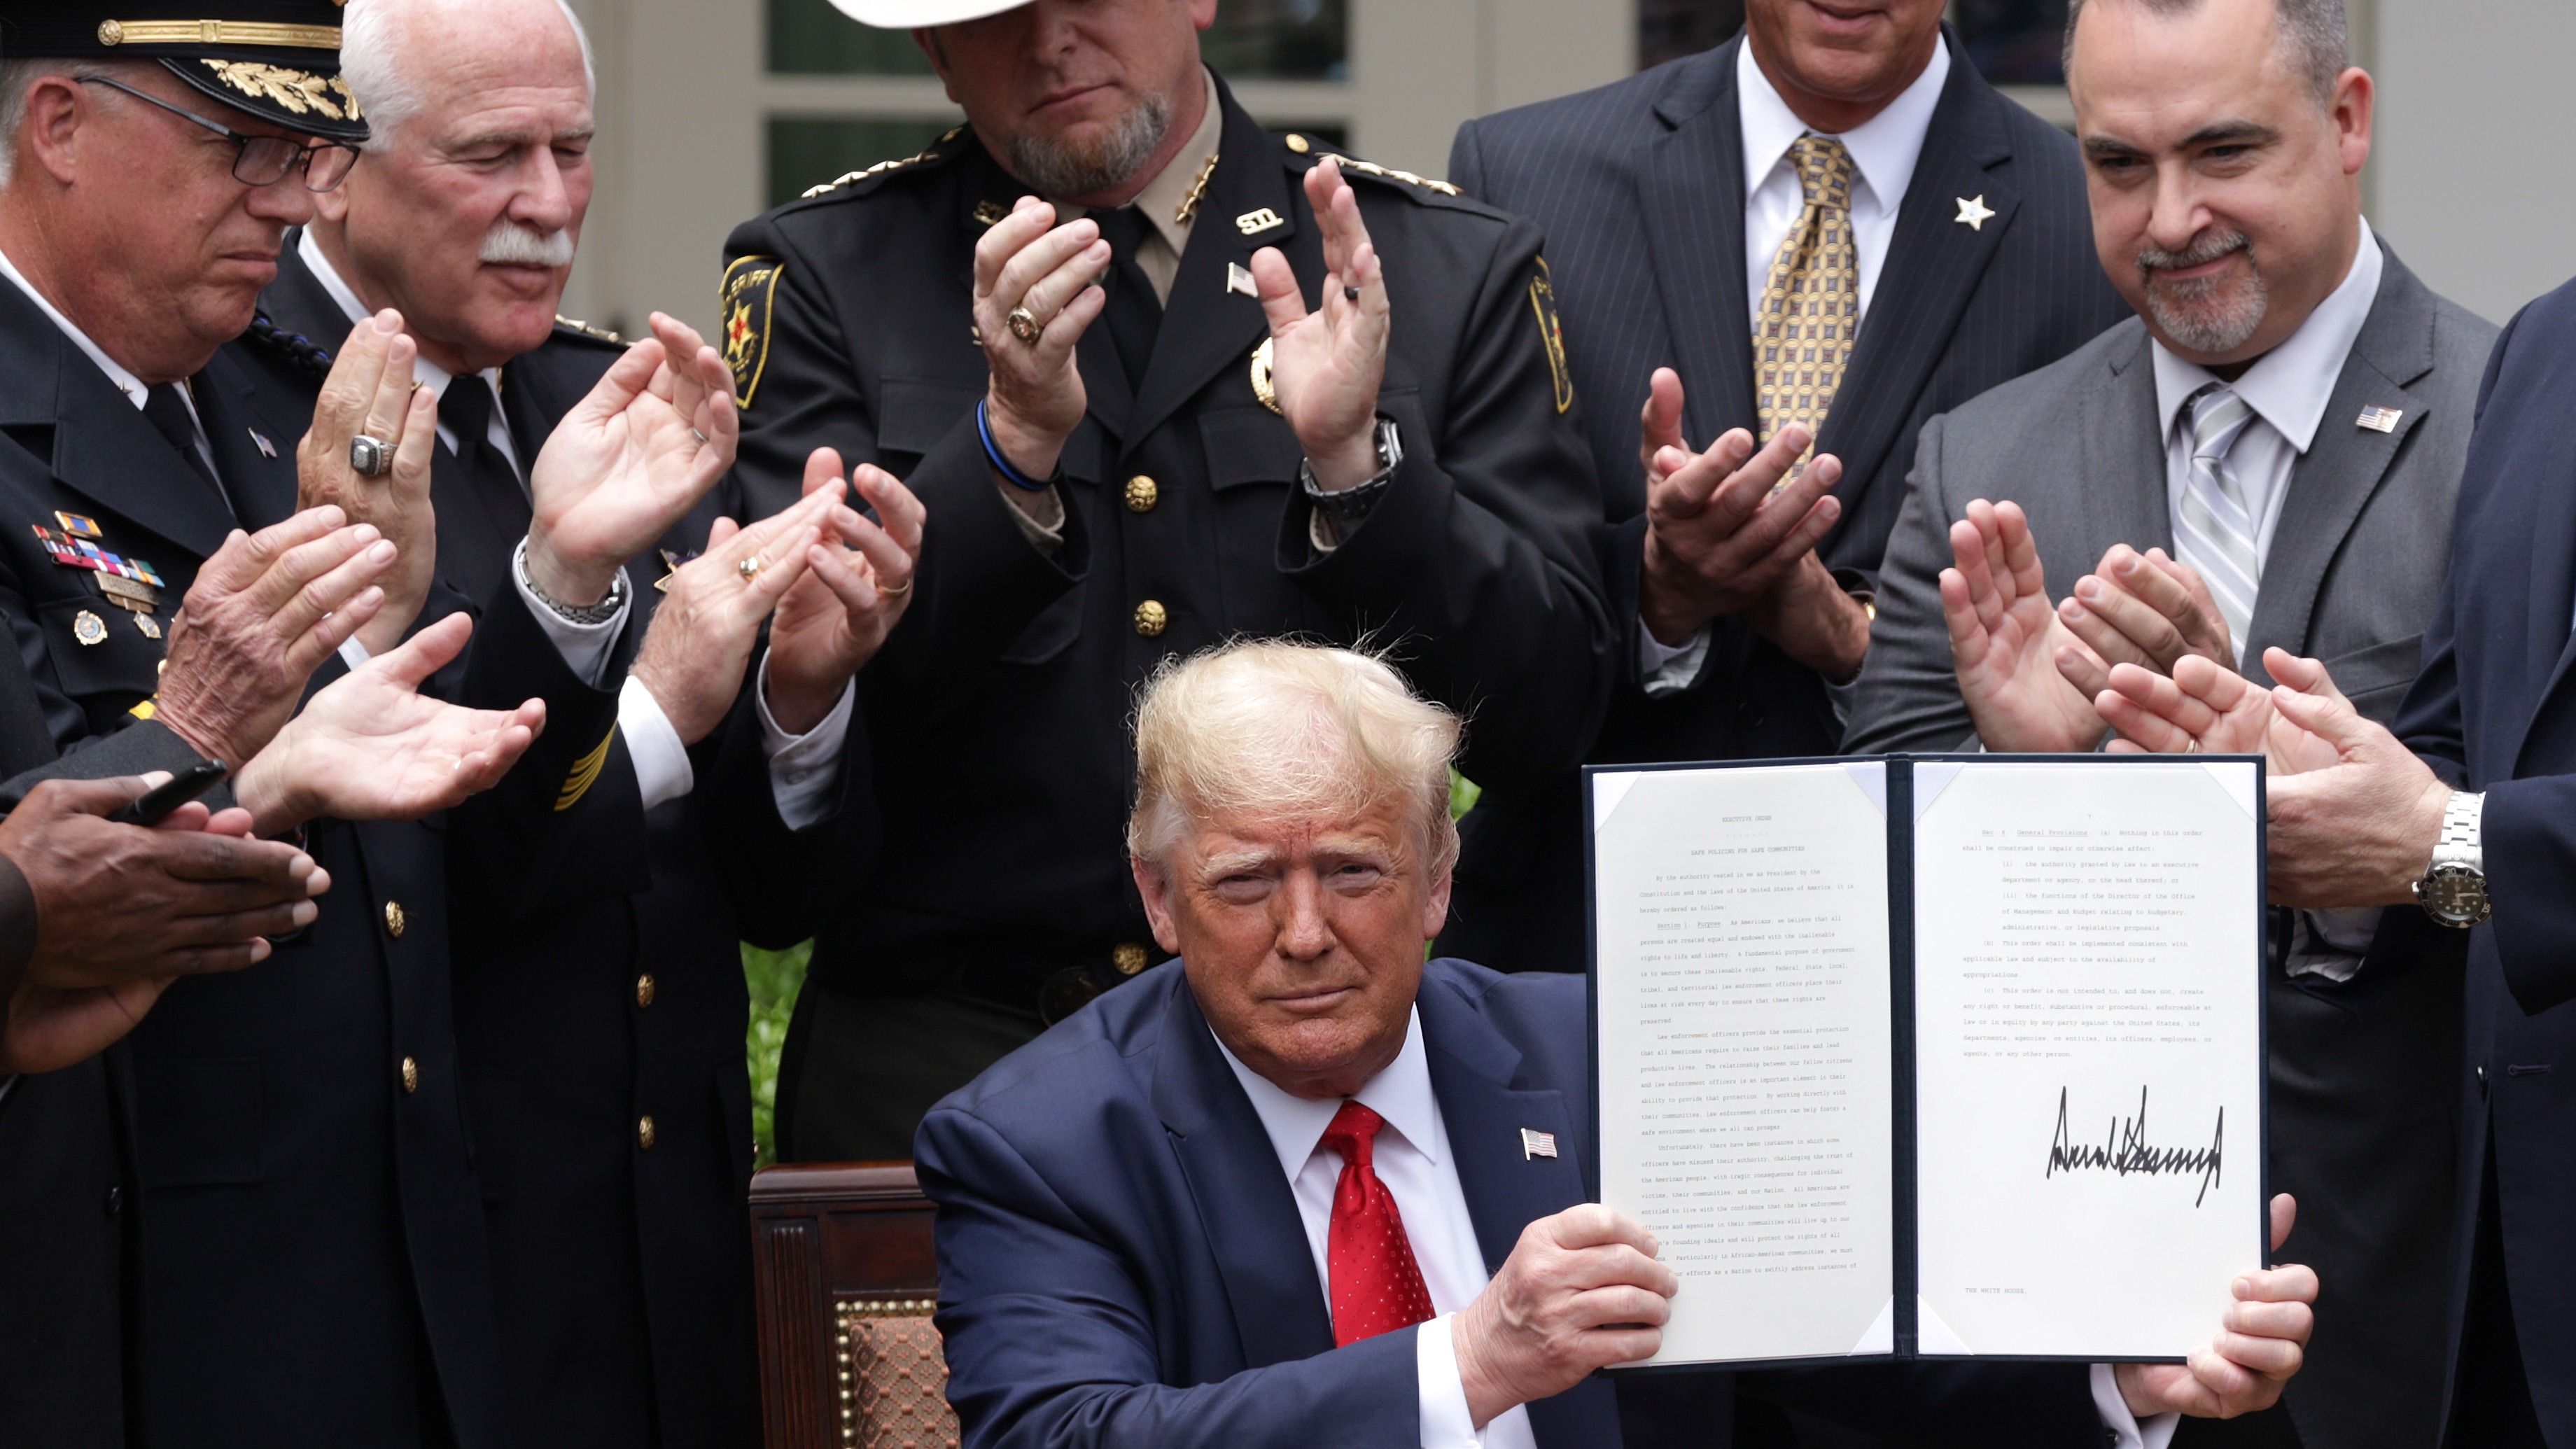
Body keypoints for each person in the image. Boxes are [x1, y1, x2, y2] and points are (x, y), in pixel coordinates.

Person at [918, 638, 2318, 1449]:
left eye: (1353, 871)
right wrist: (1469, 1361)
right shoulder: (1041, 1141)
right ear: (1158, 898)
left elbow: (1836, 1338)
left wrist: (2108, 1373)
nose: (1303, 933)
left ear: (1439, 880)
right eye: (1242, 884)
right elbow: (1062, 1435)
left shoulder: (1610, 1054)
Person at [0, 2, 714, 1439]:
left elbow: (437, 839)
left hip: (385, 1285)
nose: (287, 198)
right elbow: (39, 880)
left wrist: (560, 575)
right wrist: (210, 744)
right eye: (240, 145)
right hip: (138, 1297)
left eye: (303, 149)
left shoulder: (262, 409)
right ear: (60, 129)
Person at [734, 0, 1613, 1162]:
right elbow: (782, 794)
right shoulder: (827, 274)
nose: (1050, 40)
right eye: (994, 15)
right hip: (948, 1067)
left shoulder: (1437, 262)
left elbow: (1549, 715)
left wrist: (1360, 475)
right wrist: (1005, 452)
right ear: (932, 49)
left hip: (1329, 1060)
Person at [250, 0, 914, 1438]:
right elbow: (427, 874)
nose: (550, 205)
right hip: (427, 1266)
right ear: (334, 170)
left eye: (573, 148)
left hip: (672, 1250)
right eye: (492, 154)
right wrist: (659, 708)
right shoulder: (243, 410)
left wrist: (800, 694)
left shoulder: (598, 395)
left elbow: (769, 900)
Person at [1840, 0, 2494, 1442]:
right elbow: (1871, 886)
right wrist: (2032, 777)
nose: (2170, 217)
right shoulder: (1984, 457)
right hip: (2078, 1335)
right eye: (2118, 165)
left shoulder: (2509, 428)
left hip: (2421, 1307)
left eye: (2223, 152)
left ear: (2348, 122)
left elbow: (2539, 855)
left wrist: (2360, 832)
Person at [1434, 0, 2129, 974]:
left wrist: (1856, 642)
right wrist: (1658, 596)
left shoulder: (2095, 220)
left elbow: (2106, 652)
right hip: (1583, 948)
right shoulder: (1526, 175)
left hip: (1941, 957)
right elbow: (1475, 622)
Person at [2096, 264, 2576, 1445]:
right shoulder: (2545, 345)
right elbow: (2457, 763)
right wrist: (2319, 793)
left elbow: (2461, 829)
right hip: (2520, 1270)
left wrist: (2451, 841)